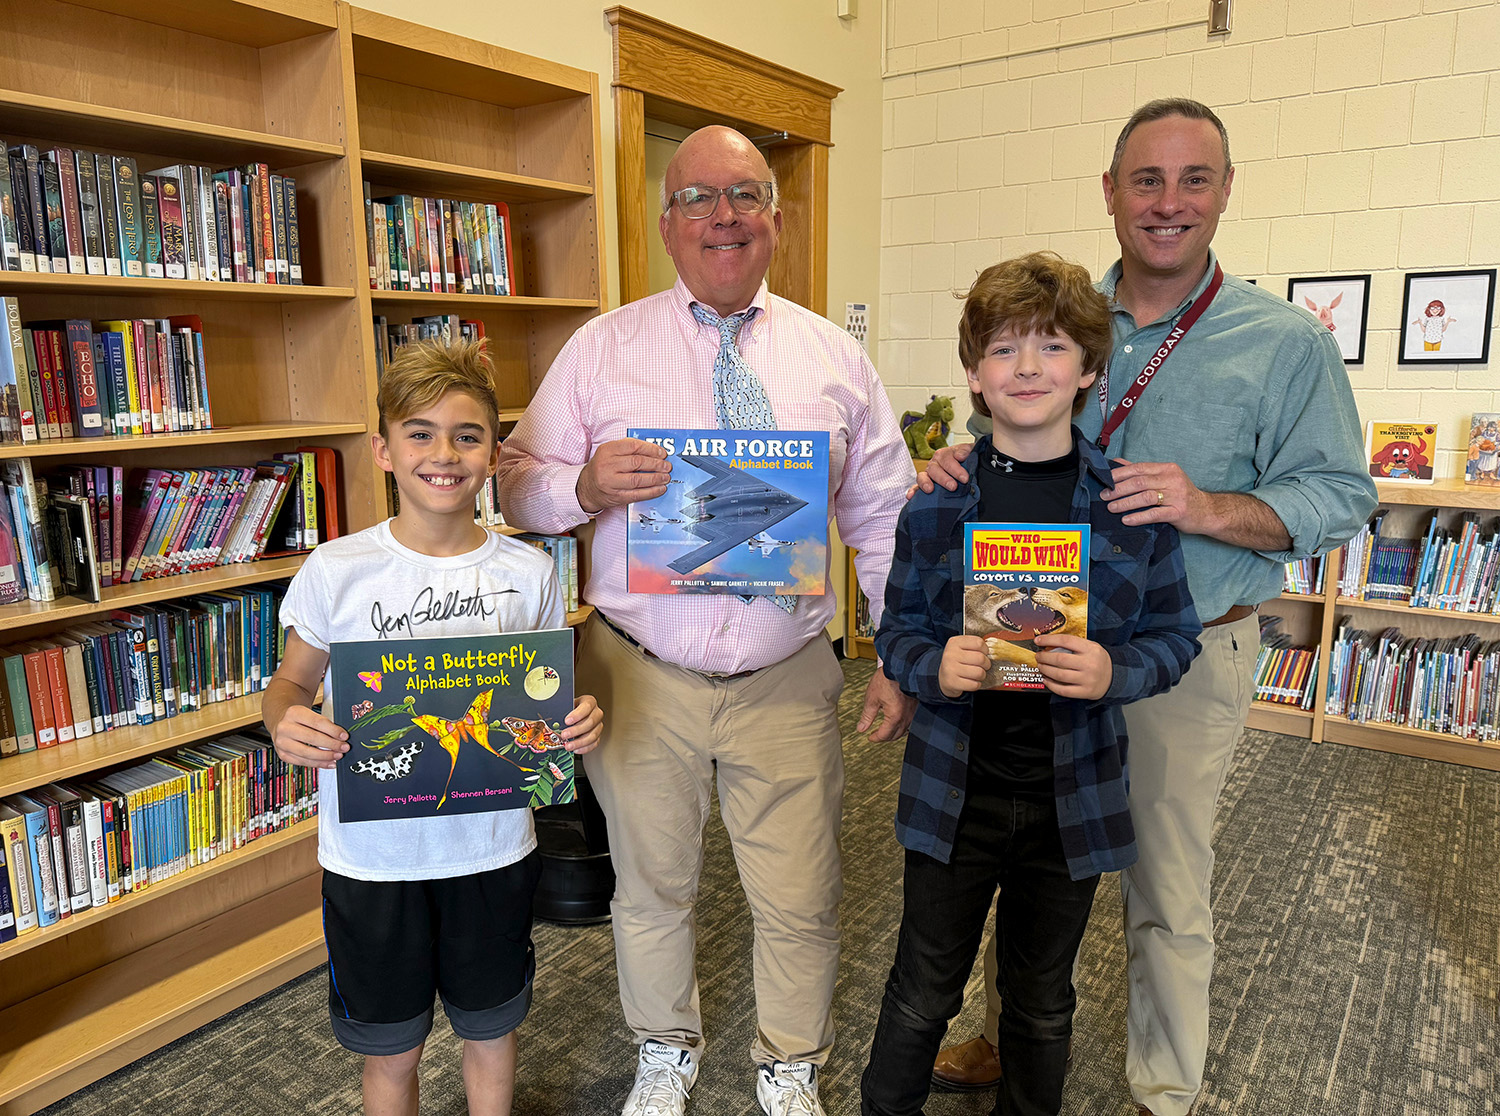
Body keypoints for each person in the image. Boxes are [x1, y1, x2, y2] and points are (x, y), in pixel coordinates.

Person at [921, 99, 1377, 1116]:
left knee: (1166, 887)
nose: (1168, 203)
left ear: (1224, 192)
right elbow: (1008, 424)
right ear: (1112, 192)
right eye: (1146, 180)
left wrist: (1205, 505)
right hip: (1033, 645)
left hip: (1181, 653)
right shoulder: (1065, 318)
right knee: (1019, 850)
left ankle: (1161, 1089)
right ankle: (1003, 1031)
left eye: (1194, 180)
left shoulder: (1284, 341)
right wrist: (962, 457)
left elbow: (1341, 497)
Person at [495, 124, 916, 1116]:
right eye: (697, 199)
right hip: (641, 670)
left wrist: (897, 649)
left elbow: (887, 518)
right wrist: (583, 483)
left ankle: (788, 1061)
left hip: (788, 670)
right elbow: (513, 486)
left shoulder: (835, 359)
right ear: (666, 221)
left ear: (775, 216)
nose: (721, 217)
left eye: (743, 196)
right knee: (650, 886)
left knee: (801, 892)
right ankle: (664, 1046)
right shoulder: (602, 349)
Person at [861, 251, 1202, 1116]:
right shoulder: (936, 502)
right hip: (954, 794)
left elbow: (1176, 637)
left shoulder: (1126, 505)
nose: (1027, 369)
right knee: (922, 991)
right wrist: (930, 665)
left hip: (1072, 798)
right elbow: (894, 630)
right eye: (1004, 350)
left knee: (1042, 1002)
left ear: (1089, 368)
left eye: (1051, 348)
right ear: (974, 374)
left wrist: (1114, 671)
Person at [264, 338, 604, 1116]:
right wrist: (286, 720)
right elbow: (290, 682)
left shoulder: (529, 572)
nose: (442, 454)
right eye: (419, 433)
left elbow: (549, 695)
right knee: (392, 1048)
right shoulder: (337, 569)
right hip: (372, 861)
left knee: (491, 1029)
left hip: (492, 851)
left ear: (493, 453)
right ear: (383, 449)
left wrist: (578, 721)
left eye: (467, 435)